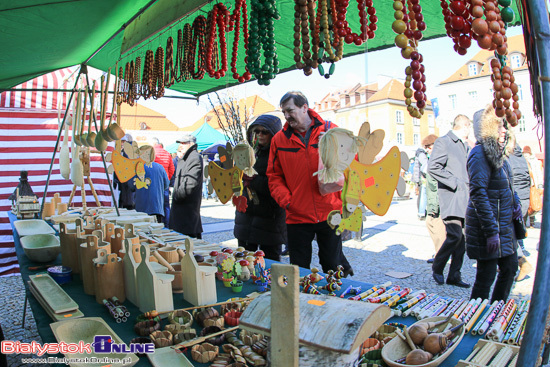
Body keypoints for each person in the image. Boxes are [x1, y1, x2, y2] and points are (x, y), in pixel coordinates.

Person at [267, 91, 353, 276]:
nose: (287, 116)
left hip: (329, 211)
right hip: (297, 214)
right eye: (284, 112)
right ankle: (302, 302)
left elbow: (348, 163)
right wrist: (288, 201)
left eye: (290, 110)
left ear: (304, 107)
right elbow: (274, 176)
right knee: (298, 268)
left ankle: (338, 298)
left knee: (333, 264)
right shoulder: (279, 140)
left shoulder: (331, 131)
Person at [467, 106, 521, 302]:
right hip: (489, 228)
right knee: (485, 278)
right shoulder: (479, 153)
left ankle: (497, 311)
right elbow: (478, 193)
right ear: (488, 129)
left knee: (510, 269)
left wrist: (515, 205)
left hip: (504, 227)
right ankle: (474, 318)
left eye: (505, 126)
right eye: (499, 127)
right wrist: (491, 232)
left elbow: (506, 187)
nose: (504, 130)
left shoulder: (501, 154)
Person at [234, 114, 287, 261]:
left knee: (270, 263)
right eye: (256, 131)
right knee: (244, 261)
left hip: (270, 220)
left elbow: (279, 186)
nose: (259, 135)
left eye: (265, 132)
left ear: (274, 134)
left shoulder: (279, 155)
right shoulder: (247, 153)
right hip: (246, 217)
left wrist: (253, 179)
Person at [428, 114, 471, 288]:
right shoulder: (444, 141)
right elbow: (433, 167)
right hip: (452, 198)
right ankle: (438, 267)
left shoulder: (464, 146)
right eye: (469, 127)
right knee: (454, 236)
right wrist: (456, 183)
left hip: (464, 198)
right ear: (465, 126)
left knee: (463, 240)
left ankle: (454, 275)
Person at [508, 142, 534, 281]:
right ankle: (511, 264)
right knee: (513, 234)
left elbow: (508, 181)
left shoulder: (508, 158)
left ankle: (521, 262)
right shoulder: (521, 158)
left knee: (508, 235)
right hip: (523, 199)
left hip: (514, 200)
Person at [170, 134, 204, 238]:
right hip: (182, 213)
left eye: (184, 143)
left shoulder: (194, 158)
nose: (181, 145)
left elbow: (190, 184)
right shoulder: (186, 157)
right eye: (180, 143)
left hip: (187, 213)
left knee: (189, 244)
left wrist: (176, 196)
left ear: (191, 144)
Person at [422, 134, 446, 264]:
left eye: (428, 146)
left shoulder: (438, 161)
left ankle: (441, 256)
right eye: (425, 147)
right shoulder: (433, 159)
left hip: (437, 204)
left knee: (438, 229)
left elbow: (437, 187)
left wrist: (434, 206)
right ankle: (440, 254)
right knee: (432, 225)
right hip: (434, 203)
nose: (426, 149)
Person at [132, 145, 169, 224]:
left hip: (141, 207)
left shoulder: (137, 168)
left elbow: (131, 186)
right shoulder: (160, 167)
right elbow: (166, 185)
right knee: (156, 231)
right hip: (157, 206)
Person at [153, 138, 175, 226]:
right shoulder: (167, 153)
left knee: (156, 204)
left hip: (154, 183)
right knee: (166, 205)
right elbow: (172, 169)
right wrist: (168, 179)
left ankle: (157, 224)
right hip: (165, 183)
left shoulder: (152, 153)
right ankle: (167, 224)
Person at [113, 133, 136, 210]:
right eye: (121, 142)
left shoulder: (129, 155)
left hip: (127, 192)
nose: (122, 144)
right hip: (119, 190)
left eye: (124, 142)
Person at [523, 145, 543, 227]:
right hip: (527, 184)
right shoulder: (523, 161)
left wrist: (539, 184)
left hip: (533, 184)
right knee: (528, 203)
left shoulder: (535, 161)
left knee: (533, 202)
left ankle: (531, 221)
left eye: (527, 154)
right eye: (525, 154)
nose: (526, 156)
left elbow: (538, 173)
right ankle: (526, 221)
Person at [412, 144, 429, 220]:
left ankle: (420, 212)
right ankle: (421, 212)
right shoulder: (422, 154)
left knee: (421, 195)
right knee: (422, 195)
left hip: (417, 177)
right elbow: (425, 166)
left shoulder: (419, 153)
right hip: (421, 177)